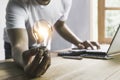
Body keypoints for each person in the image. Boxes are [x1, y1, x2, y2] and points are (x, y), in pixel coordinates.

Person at [5, 0, 100, 78]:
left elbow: (59, 25)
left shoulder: (64, 1)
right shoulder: (17, 3)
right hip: (18, 49)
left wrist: (79, 43)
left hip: (42, 46)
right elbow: (19, 44)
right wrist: (26, 62)